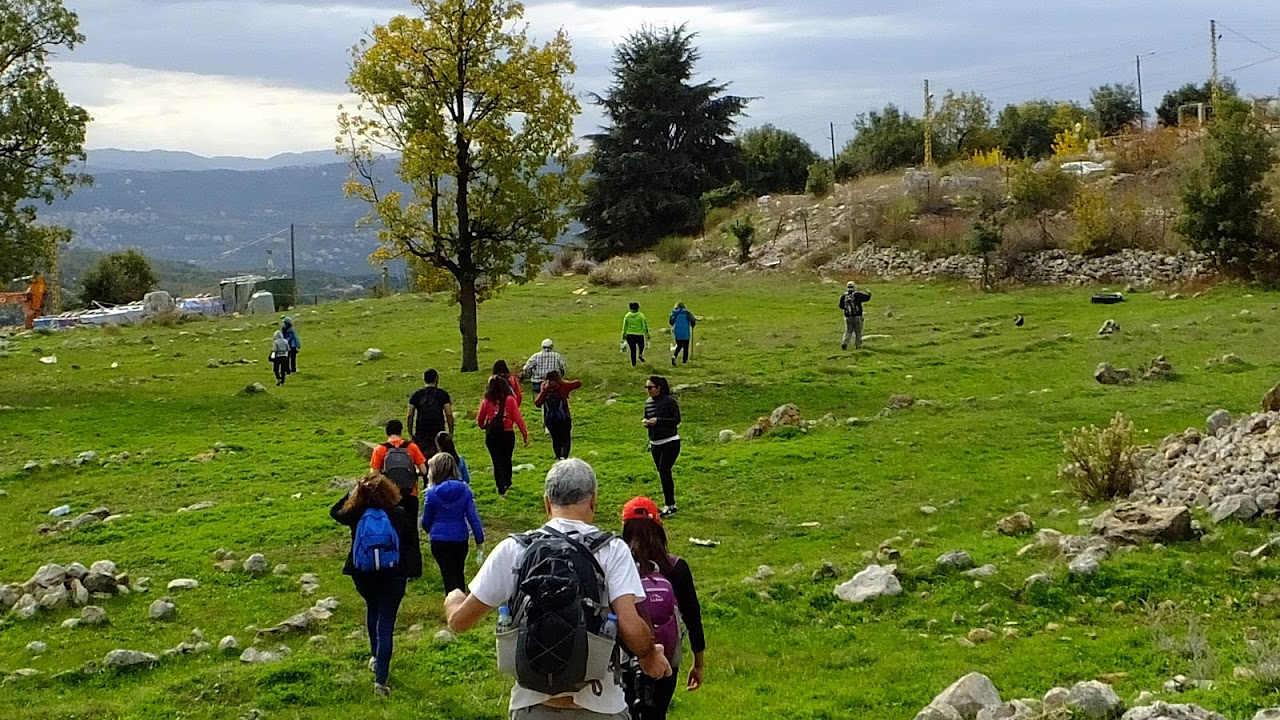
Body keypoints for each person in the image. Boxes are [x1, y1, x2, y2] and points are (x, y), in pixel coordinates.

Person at [443, 459, 673, 719]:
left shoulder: (515, 549)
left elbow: (460, 621)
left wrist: (454, 598)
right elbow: (630, 626)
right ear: (593, 501)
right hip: (601, 706)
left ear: (546, 503)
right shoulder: (612, 550)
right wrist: (648, 654)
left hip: (532, 707)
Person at [330, 471, 421, 696]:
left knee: (372, 609)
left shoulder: (355, 513)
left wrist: (350, 494)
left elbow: (334, 512)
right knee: (386, 624)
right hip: (393, 574)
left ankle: (374, 655)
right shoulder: (398, 514)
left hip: (363, 574)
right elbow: (410, 543)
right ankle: (381, 680)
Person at [619, 497, 705, 720]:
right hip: (666, 659)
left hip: (625, 658)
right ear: (659, 528)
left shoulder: (617, 567)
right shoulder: (676, 567)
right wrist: (698, 664)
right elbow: (693, 617)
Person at [421, 453, 484, 594]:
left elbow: (426, 521)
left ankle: (453, 605)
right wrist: (479, 539)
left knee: (447, 575)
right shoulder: (465, 490)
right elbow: (473, 517)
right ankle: (461, 599)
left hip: (439, 539)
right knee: (458, 571)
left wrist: (426, 527)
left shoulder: (431, 494)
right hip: (460, 538)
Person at [477, 375, 529, 497]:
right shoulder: (510, 400)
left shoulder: (487, 401)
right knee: (507, 458)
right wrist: (524, 434)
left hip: (493, 435)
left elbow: (480, 419)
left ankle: (500, 486)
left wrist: (484, 426)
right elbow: (518, 418)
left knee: (496, 460)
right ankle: (507, 481)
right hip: (507, 433)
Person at [642, 376, 681, 517]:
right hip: (655, 443)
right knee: (662, 473)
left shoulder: (669, 401)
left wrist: (658, 421)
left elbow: (676, 420)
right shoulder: (648, 403)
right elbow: (647, 416)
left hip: (670, 442)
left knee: (665, 471)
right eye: (646, 387)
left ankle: (671, 505)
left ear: (659, 387)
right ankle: (669, 504)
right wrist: (646, 422)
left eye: (650, 387)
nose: (648, 390)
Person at [534, 370, 582, 460]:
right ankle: (565, 456)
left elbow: (538, 403)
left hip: (550, 419)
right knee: (566, 438)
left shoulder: (544, 386)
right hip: (564, 417)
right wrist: (564, 382)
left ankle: (558, 457)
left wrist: (544, 390)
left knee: (555, 439)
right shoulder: (563, 385)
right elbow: (578, 383)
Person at [408, 369, 454, 454]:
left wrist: (410, 433)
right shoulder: (442, 394)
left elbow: (410, 414)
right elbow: (449, 413)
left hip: (421, 431)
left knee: (422, 456)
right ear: (436, 379)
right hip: (438, 430)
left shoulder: (417, 394)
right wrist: (450, 432)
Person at [838, 281, 872, 350]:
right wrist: (869, 293)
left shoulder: (844, 296)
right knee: (858, 332)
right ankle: (857, 345)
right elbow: (867, 298)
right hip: (857, 316)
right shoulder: (857, 294)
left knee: (848, 331)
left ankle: (845, 343)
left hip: (848, 317)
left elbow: (841, 306)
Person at [667, 303, 696, 367]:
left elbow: (671, 322)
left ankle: (674, 356)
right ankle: (684, 362)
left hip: (677, 332)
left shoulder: (674, 313)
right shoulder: (687, 313)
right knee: (686, 347)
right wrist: (693, 325)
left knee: (679, 345)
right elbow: (692, 320)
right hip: (685, 332)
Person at [622, 302, 650, 367]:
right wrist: (647, 333)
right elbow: (644, 325)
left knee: (633, 350)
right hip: (639, 334)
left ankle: (633, 364)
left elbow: (625, 326)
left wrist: (623, 334)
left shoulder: (627, 316)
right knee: (641, 346)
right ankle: (640, 354)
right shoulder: (641, 316)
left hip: (630, 335)